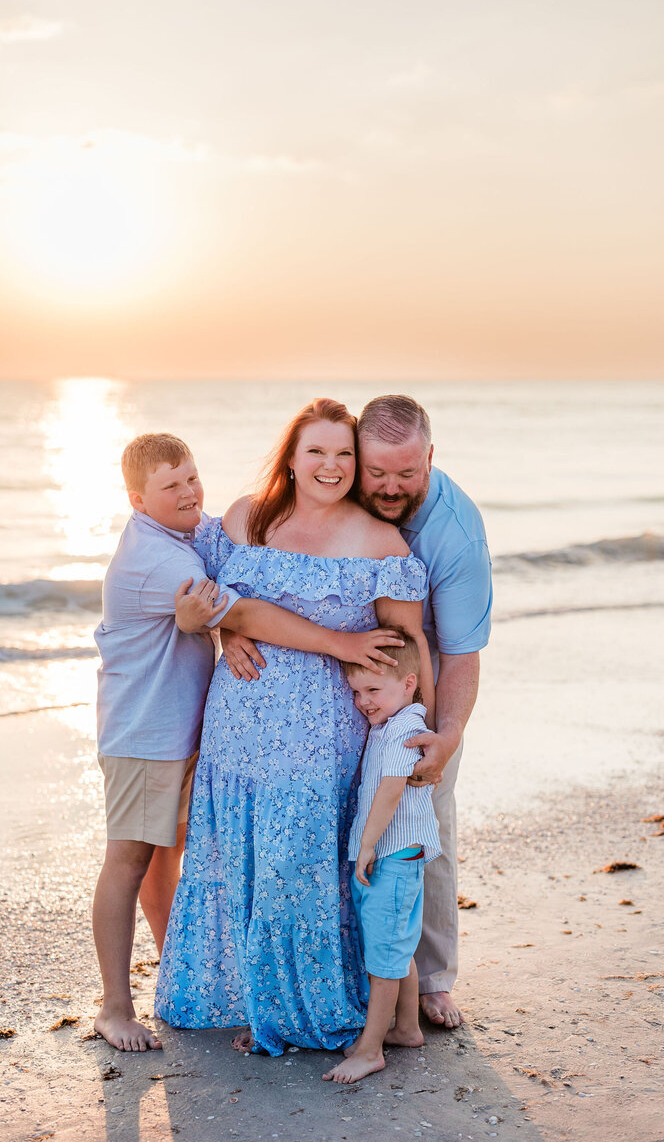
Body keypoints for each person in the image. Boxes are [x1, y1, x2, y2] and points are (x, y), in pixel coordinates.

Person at [93, 431, 403, 1052]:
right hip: (145, 734)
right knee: (130, 860)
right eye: (170, 486)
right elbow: (244, 610)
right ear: (136, 498)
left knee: (173, 852)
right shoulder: (160, 558)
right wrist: (244, 627)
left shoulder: (188, 533)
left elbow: (227, 578)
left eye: (190, 478)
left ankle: (181, 965)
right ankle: (114, 1007)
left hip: (186, 730)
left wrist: (214, 629)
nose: (188, 493)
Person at [155, 398, 434, 1056]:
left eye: (344, 454)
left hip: (322, 732)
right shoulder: (245, 517)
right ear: (292, 456)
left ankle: (295, 1008)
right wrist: (228, 626)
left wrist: (425, 730)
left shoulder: (381, 543)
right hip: (235, 723)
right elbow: (213, 597)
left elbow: (407, 646)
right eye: (317, 451)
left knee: (293, 866)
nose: (331, 466)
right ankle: (241, 998)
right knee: (236, 857)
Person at [356, 394, 493, 1029]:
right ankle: (356, 968)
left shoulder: (456, 530)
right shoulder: (341, 484)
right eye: (376, 472)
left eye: (406, 474)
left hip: (424, 697)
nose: (388, 487)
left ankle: (433, 978)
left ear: (430, 458)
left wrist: (448, 734)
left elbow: (461, 652)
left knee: (424, 826)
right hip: (345, 680)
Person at [322, 632, 440, 1084]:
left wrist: (367, 845)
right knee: (396, 946)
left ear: (408, 683)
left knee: (384, 957)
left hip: (390, 854)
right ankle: (406, 1028)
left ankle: (370, 1049)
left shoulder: (404, 731)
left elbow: (392, 790)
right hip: (401, 856)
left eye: (373, 690)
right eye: (356, 691)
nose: (363, 701)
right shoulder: (393, 724)